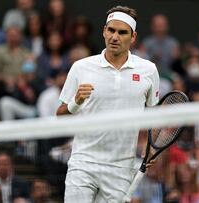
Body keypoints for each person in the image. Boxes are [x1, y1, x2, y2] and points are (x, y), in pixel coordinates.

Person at [56, 5, 160, 203]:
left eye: (122, 32)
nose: (115, 37)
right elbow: (59, 116)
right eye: (111, 30)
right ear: (104, 31)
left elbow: (153, 116)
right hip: (83, 162)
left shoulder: (148, 70)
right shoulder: (81, 67)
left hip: (121, 168)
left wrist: (151, 145)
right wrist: (75, 102)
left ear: (133, 37)